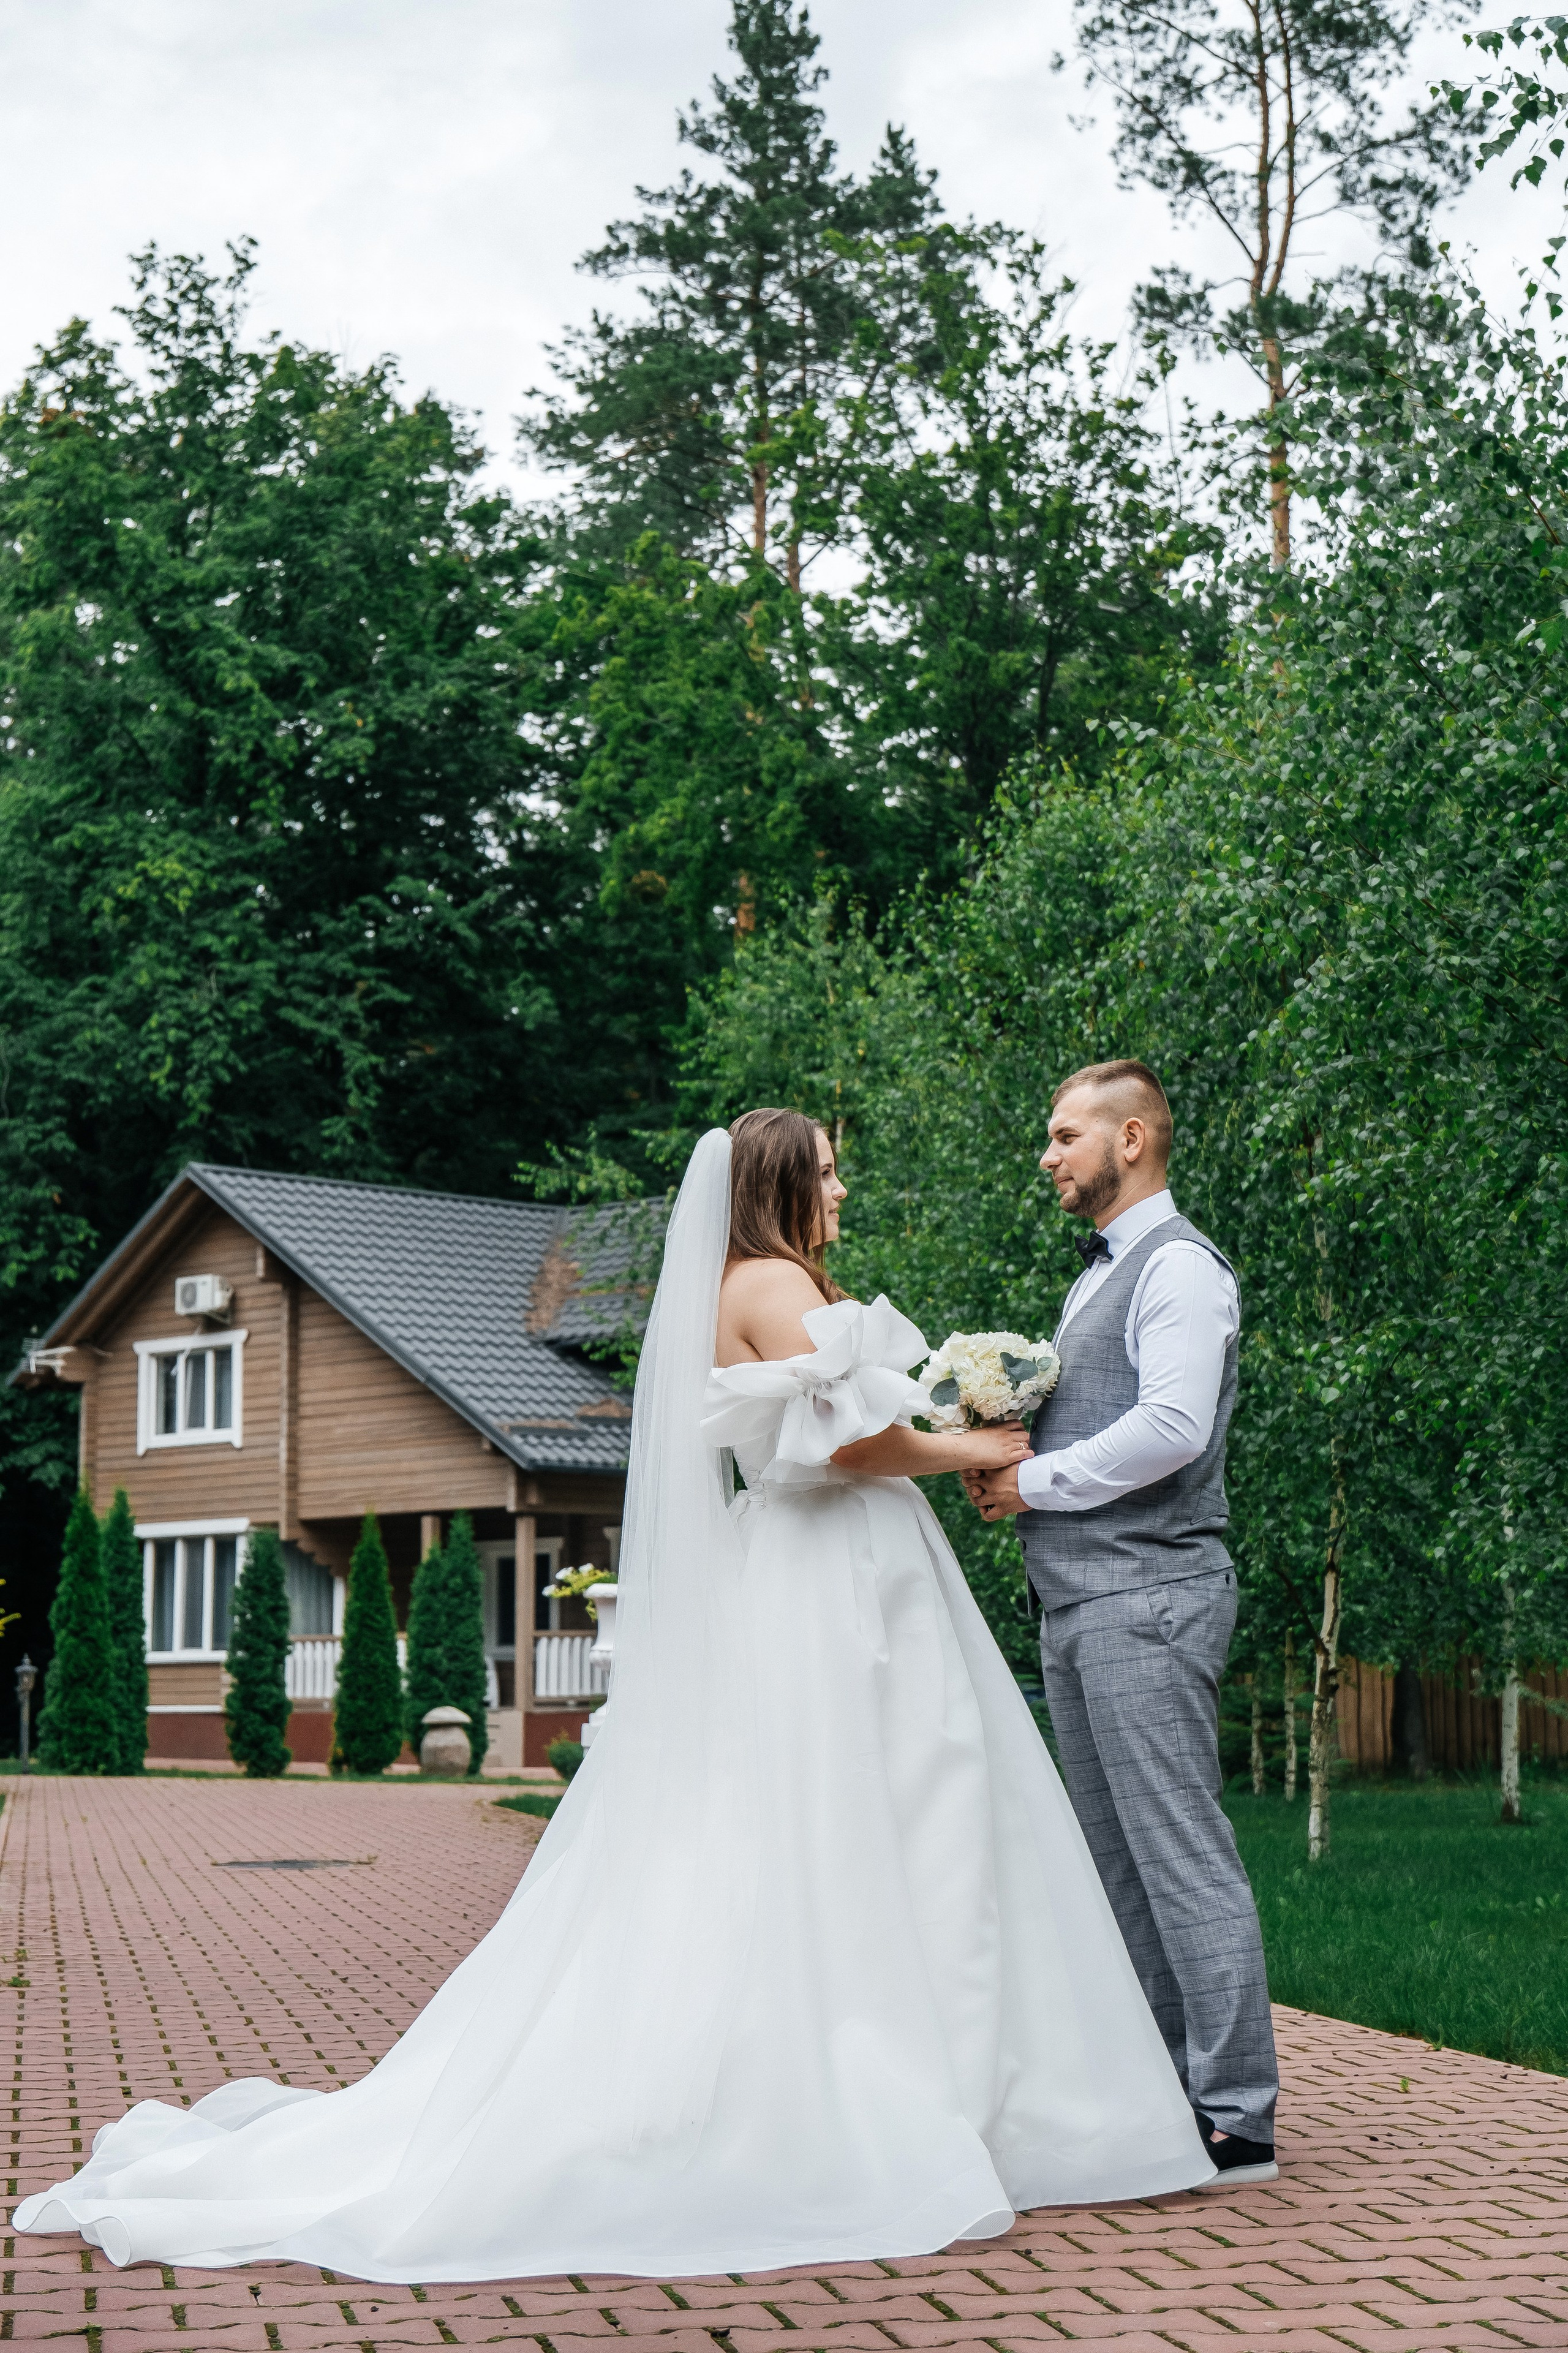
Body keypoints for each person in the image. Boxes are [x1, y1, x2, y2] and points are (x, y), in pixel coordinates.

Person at [16, 1111, 1212, 2284]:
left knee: (832, 1818)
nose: (842, 1192)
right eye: (830, 1174)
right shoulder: (775, 1284)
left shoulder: (736, 1284)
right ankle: (911, 2080)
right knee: (890, 1811)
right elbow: (847, 1447)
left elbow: (821, 1430)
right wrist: (974, 1449)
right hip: (839, 1576)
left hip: (798, 1568)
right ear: (783, 1182)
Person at [964, 1060, 1280, 2185]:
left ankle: (1238, 2114)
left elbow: (1172, 1429)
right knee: (1117, 1864)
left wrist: (1034, 1481)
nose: (1047, 1157)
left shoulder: (1180, 1268)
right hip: (1082, 1603)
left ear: (1132, 1137)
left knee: (1180, 1855)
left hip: (1148, 1598)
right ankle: (1166, 2089)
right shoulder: (1095, 1277)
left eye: (1063, 1136)